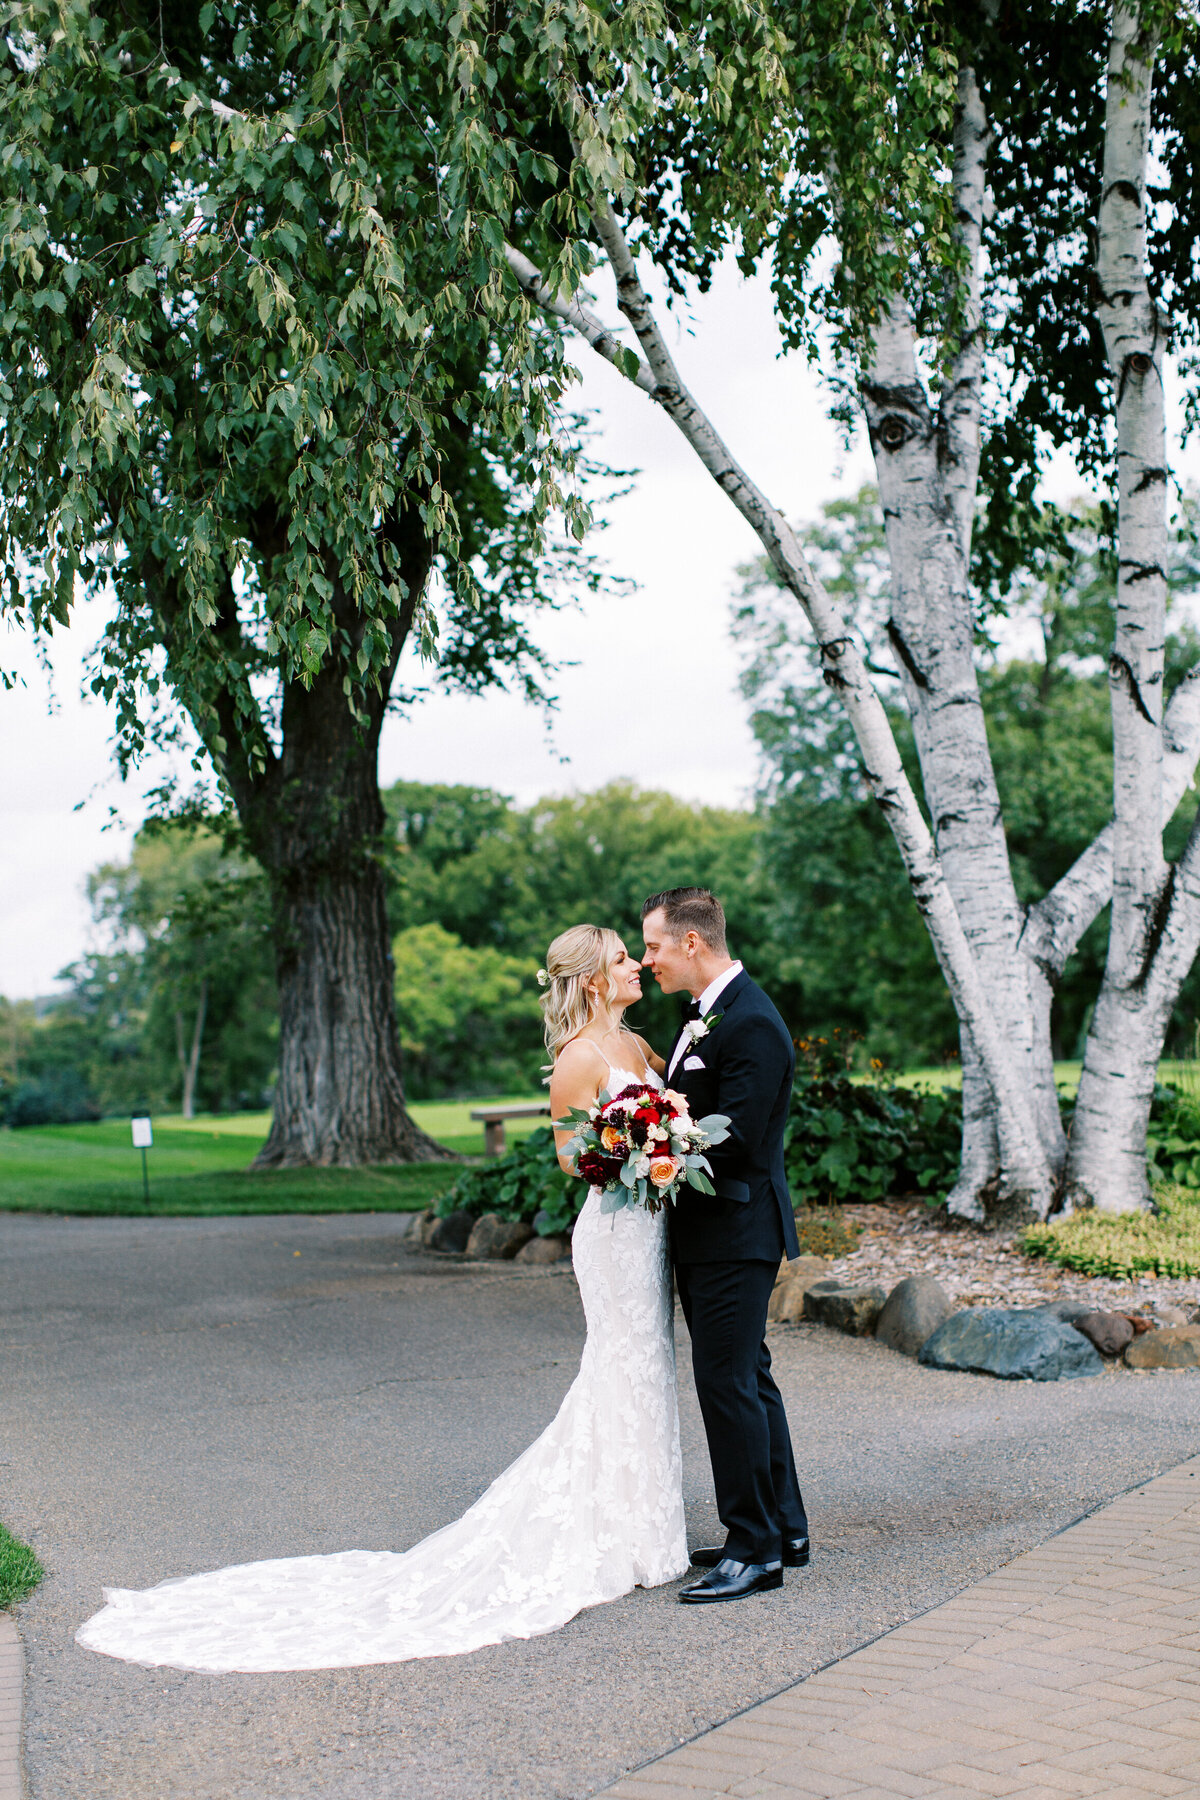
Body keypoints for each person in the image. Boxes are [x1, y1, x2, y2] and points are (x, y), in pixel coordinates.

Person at [74, 924, 688, 1673]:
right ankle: (615, 1538)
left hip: (647, 1232)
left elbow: (674, 1107)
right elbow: (568, 1156)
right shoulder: (578, 1060)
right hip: (612, 1233)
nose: (634, 966)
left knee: (648, 1363)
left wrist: (666, 1137)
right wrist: (628, 1147)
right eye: (623, 958)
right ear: (594, 979)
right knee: (620, 1365)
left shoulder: (640, 1047)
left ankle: (644, 1530)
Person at [641, 886, 809, 1604]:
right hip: (714, 1231)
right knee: (749, 1378)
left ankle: (754, 1550)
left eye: (652, 946)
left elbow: (735, 1138)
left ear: (691, 943)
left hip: (736, 1230)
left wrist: (657, 1140)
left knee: (727, 1384)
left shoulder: (751, 1024)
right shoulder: (706, 1018)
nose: (647, 960)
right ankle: (785, 1529)